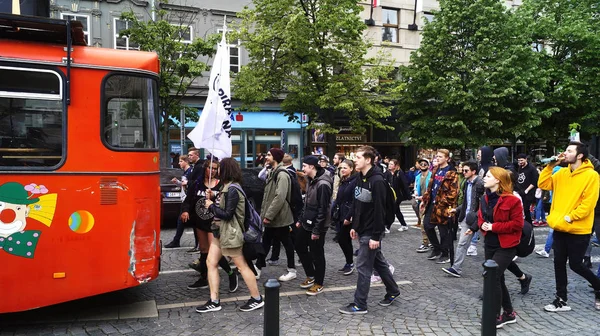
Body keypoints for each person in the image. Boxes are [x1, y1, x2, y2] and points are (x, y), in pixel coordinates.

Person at [195, 158, 264, 313]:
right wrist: (213, 198)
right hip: (220, 233)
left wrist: (211, 205)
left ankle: (257, 298)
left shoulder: (232, 189)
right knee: (210, 262)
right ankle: (214, 301)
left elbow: (227, 214)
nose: (216, 171)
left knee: (242, 266)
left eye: (219, 168)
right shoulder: (226, 187)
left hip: (231, 234)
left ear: (225, 170)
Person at [538, 142, 600, 312]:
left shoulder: (591, 175)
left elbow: (588, 204)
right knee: (558, 262)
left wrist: (571, 217)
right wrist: (551, 165)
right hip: (559, 226)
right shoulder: (562, 173)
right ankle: (561, 299)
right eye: (566, 150)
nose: (565, 153)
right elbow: (543, 184)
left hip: (578, 228)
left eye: (569, 151)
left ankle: (598, 286)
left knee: (575, 264)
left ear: (580, 155)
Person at [339, 146, 400, 314]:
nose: (355, 160)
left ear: (368, 160)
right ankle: (393, 291)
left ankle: (360, 305)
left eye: (358, 157)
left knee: (363, 268)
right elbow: (357, 202)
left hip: (372, 231)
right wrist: (354, 225)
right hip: (363, 228)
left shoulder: (378, 181)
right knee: (379, 263)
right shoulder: (360, 177)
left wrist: (375, 236)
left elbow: (381, 210)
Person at [182, 157, 237, 291]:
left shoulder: (221, 185)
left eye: (214, 168)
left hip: (214, 223)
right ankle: (204, 278)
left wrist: (213, 196)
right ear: (205, 168)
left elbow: (226, 205)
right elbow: (188, 200)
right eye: (209, 168)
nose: (211, 171)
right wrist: (185, 211)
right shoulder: (197, 184)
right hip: (200, 221)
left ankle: (231, 273)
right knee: (204, 251)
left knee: (215, 253)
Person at [479, 167, 524, 328]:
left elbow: (518, 224)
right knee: (498, 278)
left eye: (488, 176)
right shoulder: (485, 198)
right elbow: (480, 216)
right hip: (489, 244)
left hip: (506, 245)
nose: (484, 178)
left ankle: (495, 315)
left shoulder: (512, 200)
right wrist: (482, 225)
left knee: (493, 277)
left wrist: (494, 227)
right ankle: (509, 313)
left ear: (498, 180)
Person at [257, 148, 298, 282]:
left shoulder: (282, 174)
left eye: (269, 155)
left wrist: (268, 215)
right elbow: (267, 196)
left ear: (275, 157)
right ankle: (257, 268)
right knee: (266, 242)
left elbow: (279, 197)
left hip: (280, 217)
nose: (266, 157)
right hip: (273, 216)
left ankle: (292, 270)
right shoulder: (272, 172)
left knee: (287, 243)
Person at [296, 155, 333, 295]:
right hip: (307, 221)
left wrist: (317, 230)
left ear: (312, 167)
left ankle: (319, 282)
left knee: (317, 253)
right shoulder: (311, 180)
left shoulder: (322, 184)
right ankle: (311, 275)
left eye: (304, 166)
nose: (303, 168)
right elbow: (307, 203)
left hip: (318, 225)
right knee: (299, 245)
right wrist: (301, 219)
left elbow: (323, 209)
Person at [442, 161, 484, 277]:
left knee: (489, 246)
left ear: (473, 171)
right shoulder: (467, 183)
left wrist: (478, 217)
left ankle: (494, 269)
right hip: (467, 217)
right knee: (462, 244)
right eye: (463, 170)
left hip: (479, 219)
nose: (463, 172)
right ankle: (456, 268)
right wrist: (457, 209)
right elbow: (467, 202)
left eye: (466, 170)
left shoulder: (480, 184)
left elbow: (483, 204)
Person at [421, 149, 460, 264]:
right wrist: (425, 198)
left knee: (444, 231)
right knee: (427, 226)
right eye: (437, 156)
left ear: (447, 158)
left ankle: (445, 253)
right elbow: (430, 186)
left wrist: (443, 203)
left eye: (440, 157)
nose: (438, 158)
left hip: (443, 206)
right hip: (431, 204)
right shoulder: (435, 170)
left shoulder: (451, 172)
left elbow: (453, 192)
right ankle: (436, 248)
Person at [333, 159, 358, 275]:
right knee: (343, 240)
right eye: (341, 168)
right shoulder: (344, 181)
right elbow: (338, 199)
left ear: (351, 169)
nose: (342, 170)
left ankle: (350, 263)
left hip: (348, 215)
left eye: (345, 168)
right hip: (341, 213)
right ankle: (349, 262)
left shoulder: (354, 181)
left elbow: (354, 200)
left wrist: (349, 216)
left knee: (343, 239)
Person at [165, 154, 193, 248]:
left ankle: (176, 241)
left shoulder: (190, 172)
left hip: (188, 199)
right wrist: (177, 182)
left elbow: (190, 185)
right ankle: (176, 240)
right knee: (181, 221)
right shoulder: (185, 172)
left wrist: (185, 183)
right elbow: (183, 185)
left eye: (181, 161)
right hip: (184, 198)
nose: (179, 163)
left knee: (183, 221)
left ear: (186, 162)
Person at [412, 158, 432, 252]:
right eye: (421, 164)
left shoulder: (432, 176)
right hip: (421, 203)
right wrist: (416, 194)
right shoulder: (418, 176)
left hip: (430, 202)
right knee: (424, 224)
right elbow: (416, 187)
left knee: (427, 224)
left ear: (428, 165)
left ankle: (428, 242)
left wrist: (424, 197)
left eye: (425, 164)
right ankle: (426, 242)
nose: (423, 165)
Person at [384, 159, 410, 232]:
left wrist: (408, 195)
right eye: (389, 164)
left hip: (398, 195)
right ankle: (404, 224)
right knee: (396, 210)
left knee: (392, 210)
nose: (389, 165)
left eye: (392, 164)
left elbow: (404, 184)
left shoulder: (399, 173)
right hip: (390, 195)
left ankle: (387, 226)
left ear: (395, 166)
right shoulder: (387, 173)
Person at [515, 154, 539, 224]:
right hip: (520, 191)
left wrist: (527, 190)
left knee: (526, 209)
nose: (520, 162)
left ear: (526, 159)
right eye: (519, 161)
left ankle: (529, 224)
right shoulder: (520, 167)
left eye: (522, 160)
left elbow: (534, 182)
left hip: (528, 193)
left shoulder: (532, 169)